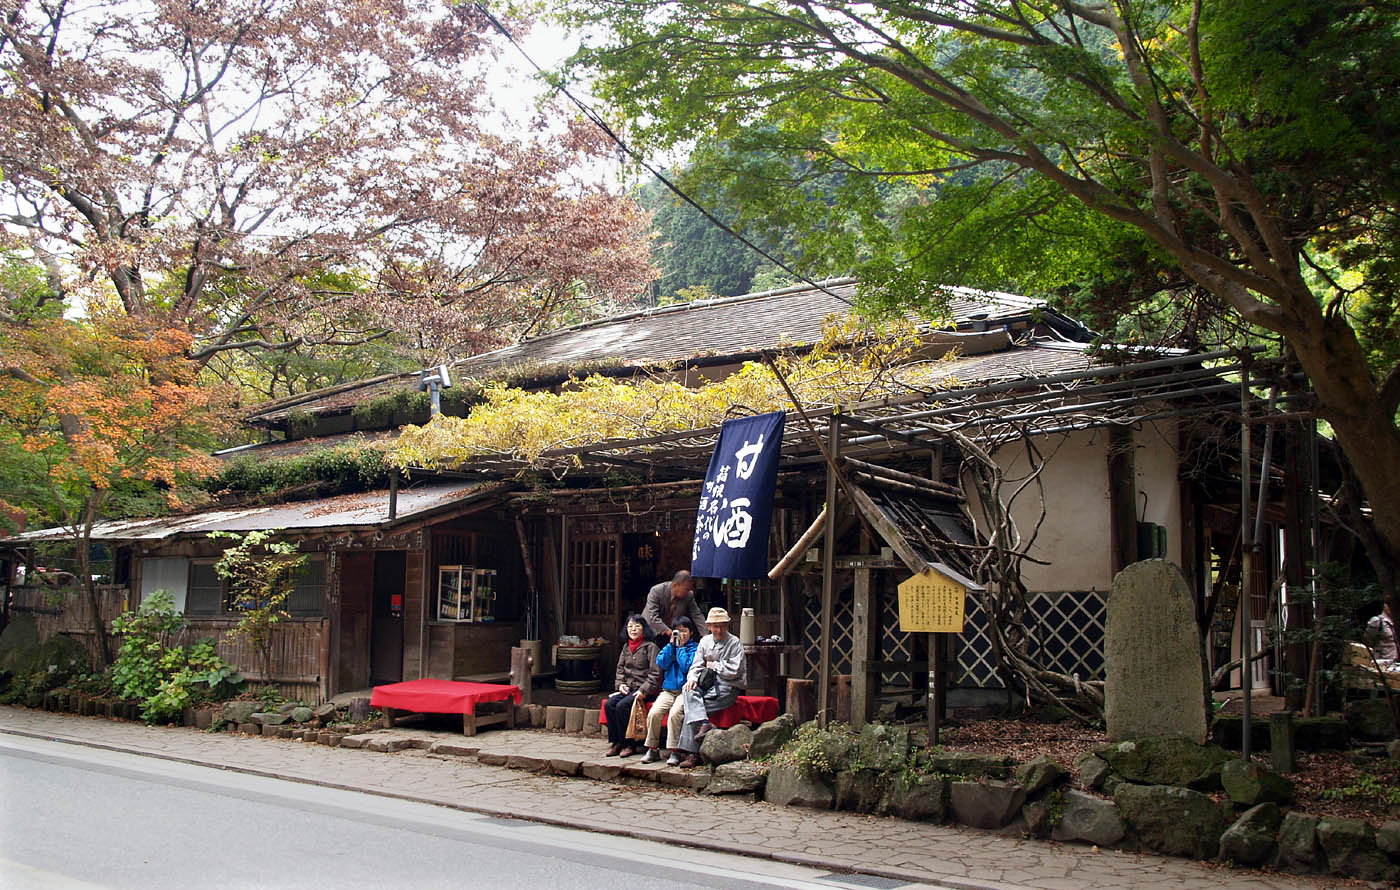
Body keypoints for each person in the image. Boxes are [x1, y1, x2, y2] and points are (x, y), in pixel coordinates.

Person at [672, 607, 747, 769]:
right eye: (715, 626)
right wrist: (692, 679)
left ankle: (692, 754)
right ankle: (705, 722)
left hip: (728, 687)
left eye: (722, 626)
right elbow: (696, 665)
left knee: (691, 709)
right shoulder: (705, 641)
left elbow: (735, 670)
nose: (719, 630)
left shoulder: (734, 643)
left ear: (727, 626)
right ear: (709, 626)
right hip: (707, 684)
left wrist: (715, 665)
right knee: (688, 690)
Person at [640, 615, 699, 764]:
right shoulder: (670, 647)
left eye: (684, 631)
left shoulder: (695, 648)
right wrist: (670, 646)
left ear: (691, 632)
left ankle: (675, 751)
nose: (681, 634)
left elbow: (686, 666)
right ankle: (652, 749)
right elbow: (661, 662)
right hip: (668, 690)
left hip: (685, 691)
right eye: (678, 631)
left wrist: (680, 648)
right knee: (654, 713)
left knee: (674, 714)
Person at [602, 614, 661, 757]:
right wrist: (620, 685)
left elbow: (656, 673)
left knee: (622, 706)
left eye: (637, 626)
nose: (633, 629)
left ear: (644, 629)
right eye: (630, 626)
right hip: (628, 689)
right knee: (609, 704)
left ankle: (629, 744)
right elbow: (620, 669)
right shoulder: (626, 647)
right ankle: (616, 742)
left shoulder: (650, 647)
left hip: (644, 690)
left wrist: (643, 690)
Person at [642, 570, 706, 644]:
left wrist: (705, 635)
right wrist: (667, 630)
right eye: (686, 589)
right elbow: (652, 616)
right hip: (651, 630)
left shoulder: (688, 595)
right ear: (675, 585)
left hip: (672, 633)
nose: (688, 592)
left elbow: (697, 615)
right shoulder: (656, 591)